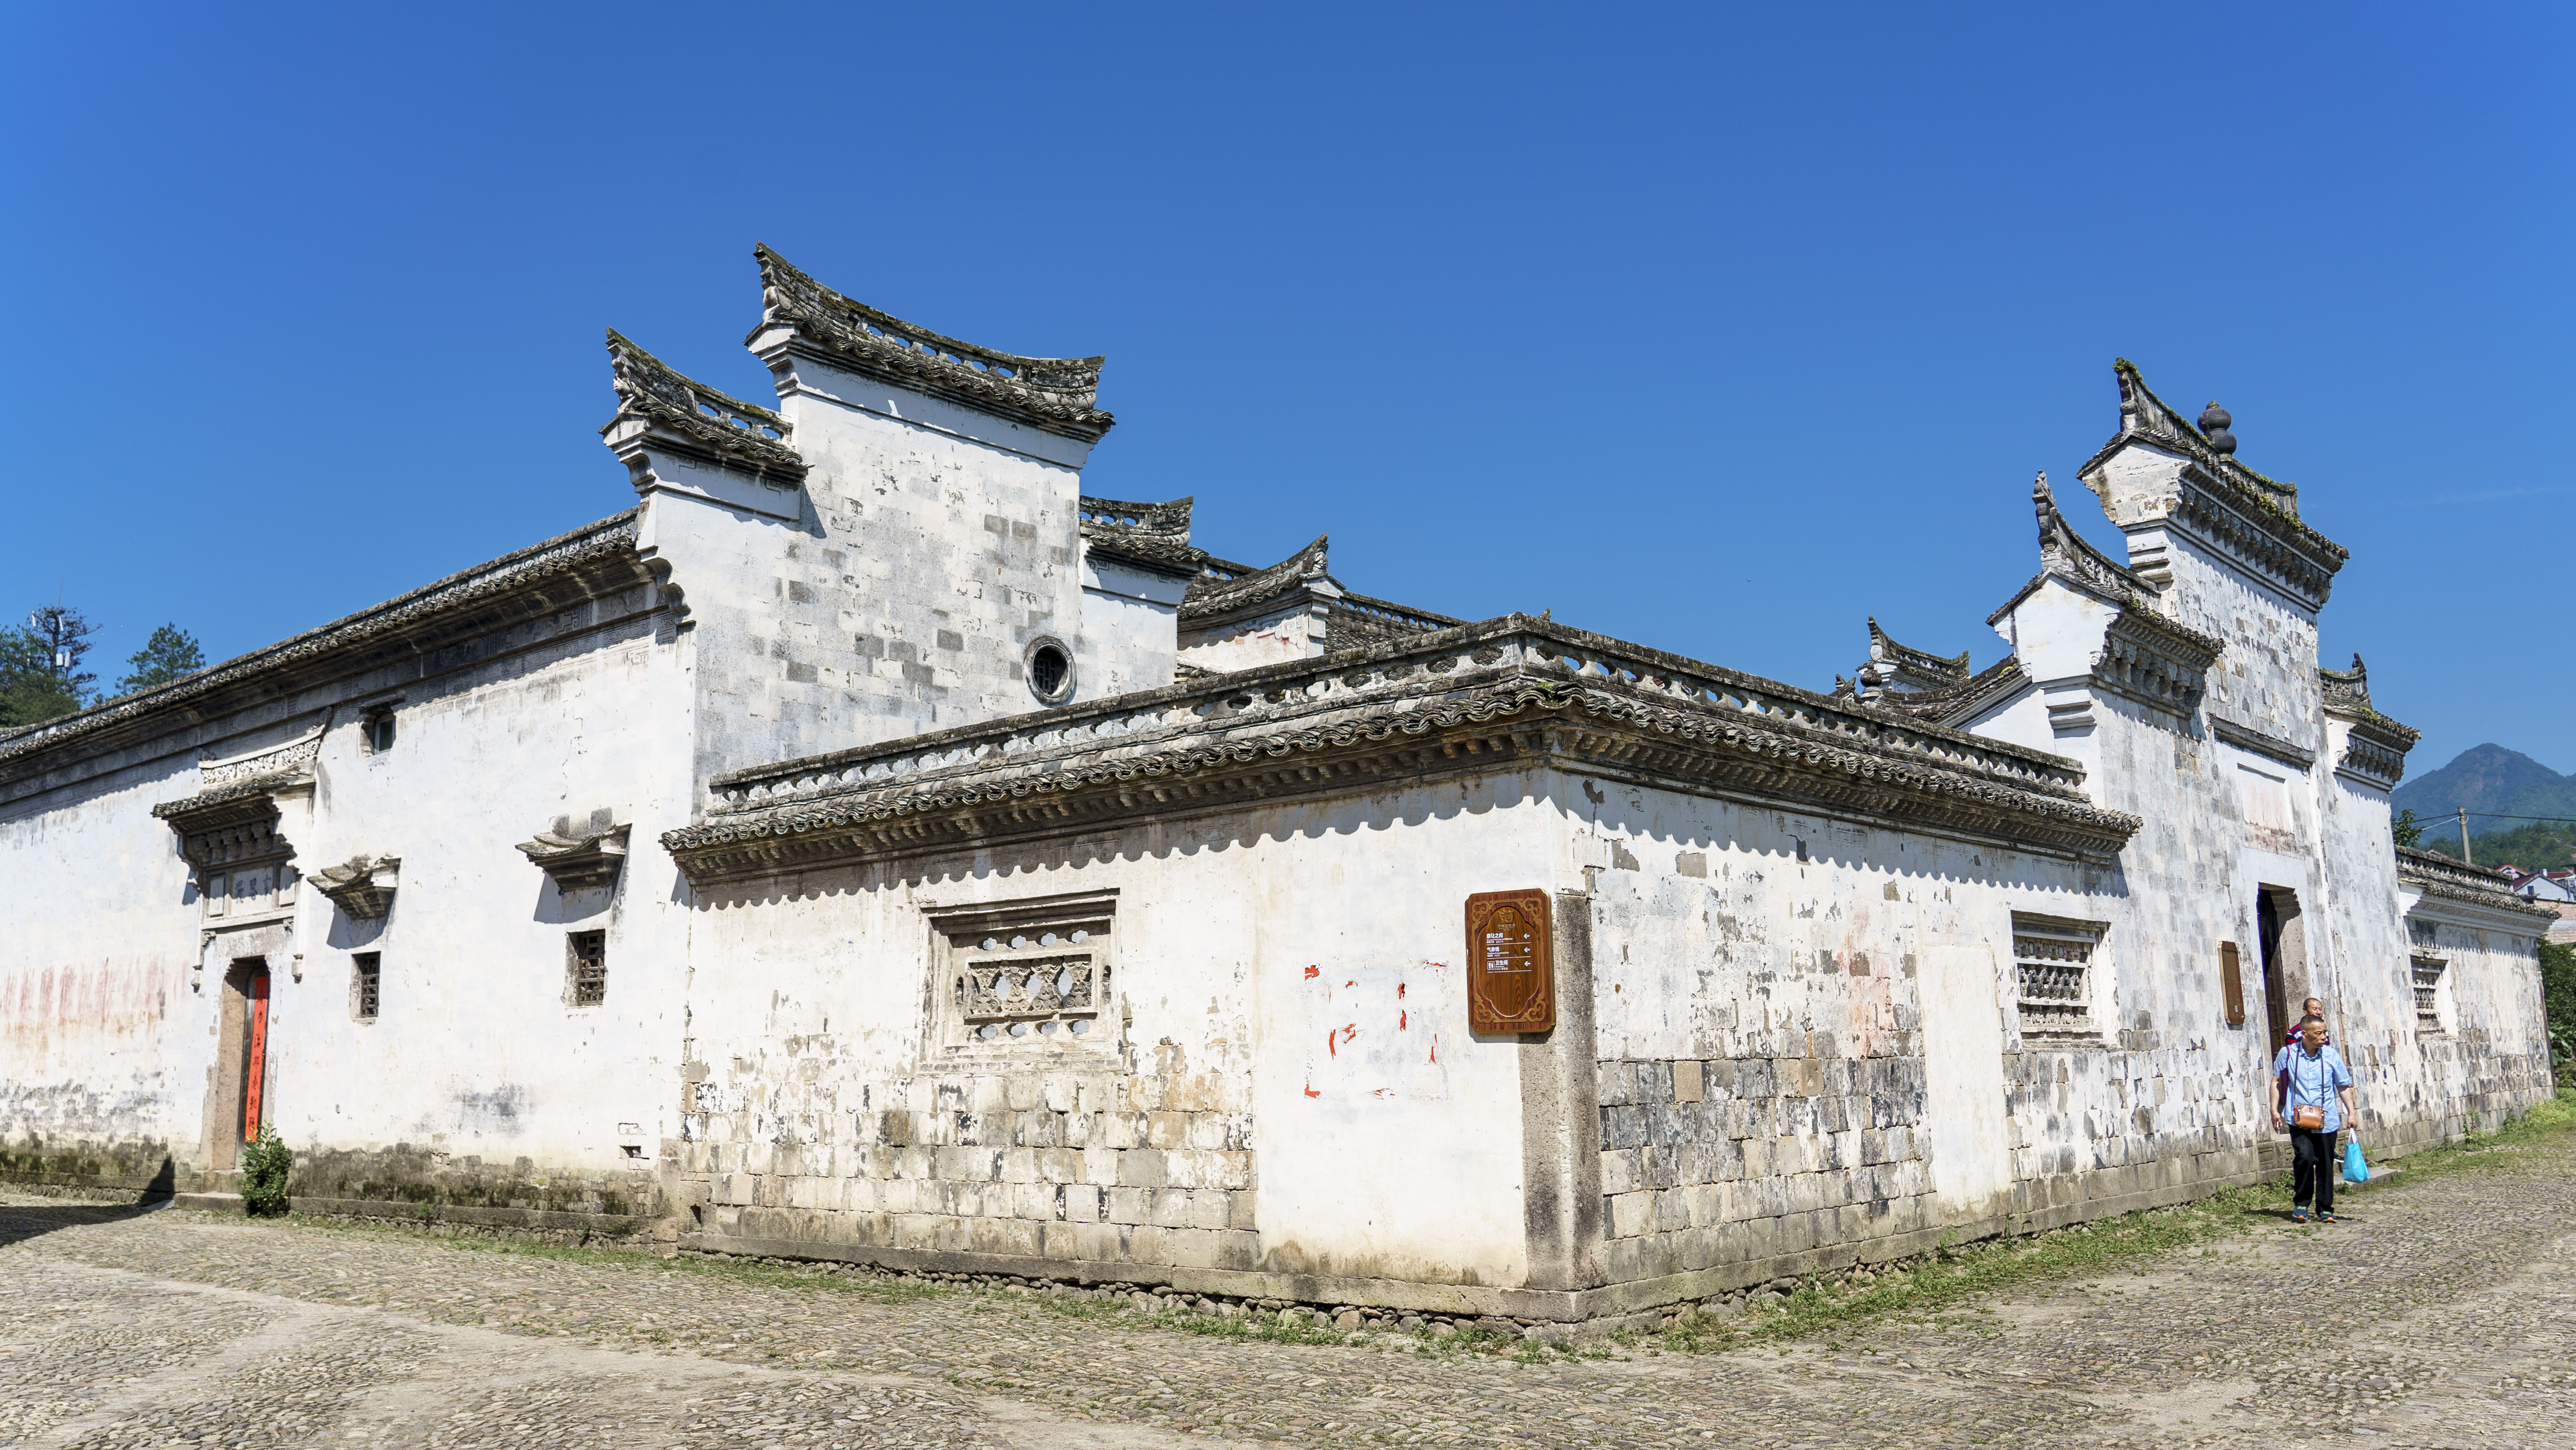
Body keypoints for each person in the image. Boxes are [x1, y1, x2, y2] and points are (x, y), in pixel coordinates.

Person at [2273, 1014, 2357, 1223]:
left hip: (2326, 1120)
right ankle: (2302, 1204)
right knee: (2305, 1157)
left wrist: (2352, 1113)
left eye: (2325, 1033)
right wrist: (2274, 1110)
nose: (2324, 1037)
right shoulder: (2288, 1054)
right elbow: (2277, 1082)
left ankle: (2325, 1209)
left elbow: (2343, 1085)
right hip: (2298, 1119)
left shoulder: (2331, 1055)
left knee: (2325, 1163)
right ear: (2305, 1034)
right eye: (2319, 1033)